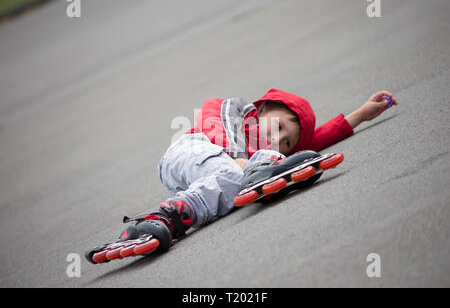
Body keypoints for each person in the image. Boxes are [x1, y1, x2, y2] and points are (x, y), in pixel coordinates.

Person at [86, 88, 397, 263]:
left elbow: (312, 144)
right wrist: (236, 153)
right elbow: (213, 120)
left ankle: (166, 220)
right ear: (261, 110)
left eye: (286, 142)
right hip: (192, 150)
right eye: (277, 128)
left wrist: (359, 115)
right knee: (232, 169)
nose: (277, 140)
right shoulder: (237, 111)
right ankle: (260, 174)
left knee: (230, 185)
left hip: (207, 175)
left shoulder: (258, 152)